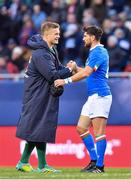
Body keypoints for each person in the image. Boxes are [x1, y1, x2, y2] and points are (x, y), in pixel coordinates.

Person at [16, 21, 76, 173]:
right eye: (56, 34)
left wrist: (68, 68)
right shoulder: (41, 53)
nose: (59, 36)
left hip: (42, 94)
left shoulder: (50, 50)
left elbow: (58, 69)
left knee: (39, 128)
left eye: (59, 33)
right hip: (37, 95)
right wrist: (69, 70)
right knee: (40, 128)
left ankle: (24, 162)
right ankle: (40, 165)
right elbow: (52, 75)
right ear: (47, 35)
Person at [55, 25, 112, 173]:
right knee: (81, 128)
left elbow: (86, 74)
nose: (83, 38)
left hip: (100, 95)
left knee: (99, 132)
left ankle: (100, 166)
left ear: (93, 38)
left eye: (86, 35)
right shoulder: (94, 52)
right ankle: (94, 161)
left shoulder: (99, 52)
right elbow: (88, 72)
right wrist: (75, 68)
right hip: (93, 96)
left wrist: (65, 81)